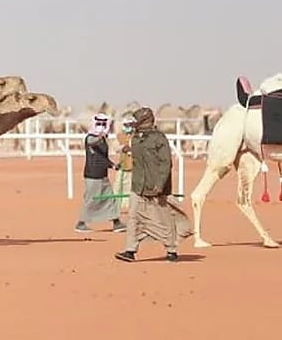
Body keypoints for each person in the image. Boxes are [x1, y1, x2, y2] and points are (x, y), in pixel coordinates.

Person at [114, 107, 193, 263]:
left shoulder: (159, 139)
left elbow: (166, 163)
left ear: (146, 121)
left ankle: (172, 250)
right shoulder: (135, 139)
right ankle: (130, 250)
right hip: (138, 186)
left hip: (155, 188)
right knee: (133, 217)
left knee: (163, 220)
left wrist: (160, 184)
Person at [74, 113, 126, 233]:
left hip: (103, 174)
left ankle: (116, 222)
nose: (101, 126)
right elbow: (93, 142)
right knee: (92, 199)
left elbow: (102, 157)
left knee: (110, 198)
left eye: (103, 124)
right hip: (92, 174)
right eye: (99, 123)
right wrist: (101, 135)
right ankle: (81, 223)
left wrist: (113, 165)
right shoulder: (90, 138)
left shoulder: (103, 140)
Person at [113, 117, 135, 212]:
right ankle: (115, 206)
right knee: (117, 186)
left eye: (130, 125)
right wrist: (123, 148)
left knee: (129, 188)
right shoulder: (120, 136)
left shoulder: (136, 136)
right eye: (127, 125)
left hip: (133, 166)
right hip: (122, 165)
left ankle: (127, 207)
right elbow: (115, 147)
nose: (128, 127)